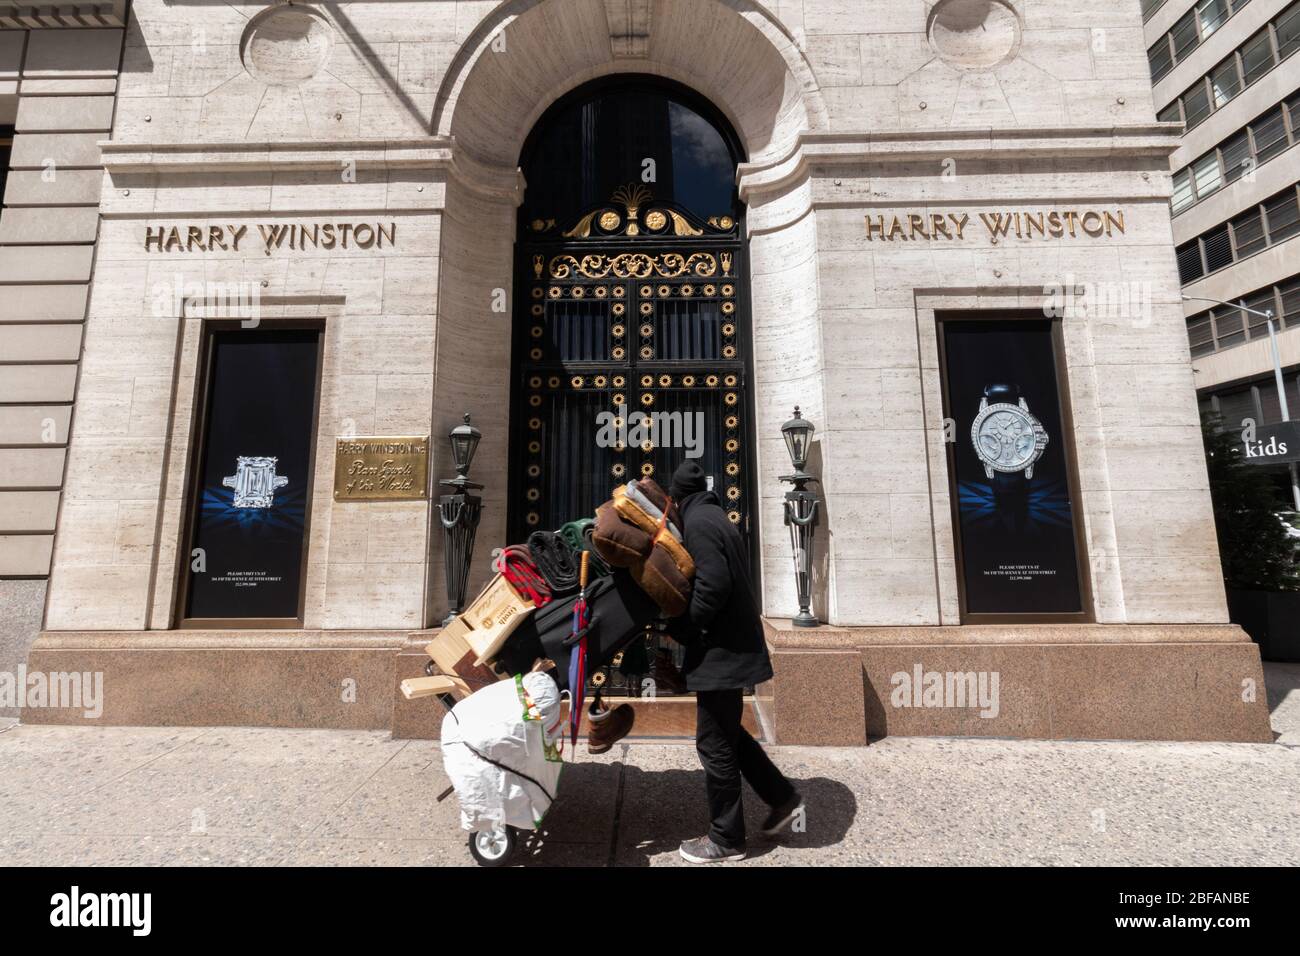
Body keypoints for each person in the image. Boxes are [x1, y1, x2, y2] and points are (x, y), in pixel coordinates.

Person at [667, 459, 802, 863]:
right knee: (730, 734)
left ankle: (726, 839)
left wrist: (685, 628)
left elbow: (713, 585)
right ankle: (782, 797)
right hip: (732, 648)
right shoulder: (716, 517)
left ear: (676, 499)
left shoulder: (700, 525)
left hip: (721, 652)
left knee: (713, 743)